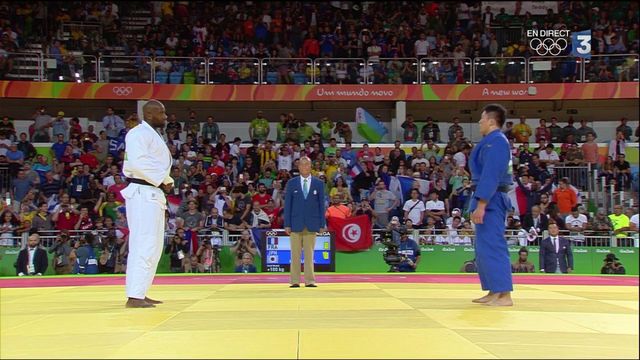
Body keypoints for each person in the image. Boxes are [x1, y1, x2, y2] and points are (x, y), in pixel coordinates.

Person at [121, 100, 174, 308]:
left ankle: (140, 291)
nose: (166, 116)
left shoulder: (150, 134)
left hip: (152, 193)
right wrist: (164, 179)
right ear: (150, 115)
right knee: (144, 243)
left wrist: (163, 181)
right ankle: (134, 296)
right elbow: (137, 162)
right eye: (162, 113)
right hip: (144, 192)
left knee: (153, 246)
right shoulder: (137, 134)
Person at [469, 103, 514, 306]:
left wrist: (482, 204)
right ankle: (493, 290)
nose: (479, 122)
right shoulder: (490, 141)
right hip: (486, 196)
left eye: (481, 119)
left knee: (493, 244)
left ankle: (504, 294)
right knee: (483, 247)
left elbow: (491, 174)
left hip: (492, 198)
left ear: (491, 121)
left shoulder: (497, 142)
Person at [284, 156, 326, 288]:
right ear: (299, 167)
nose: (304, 167)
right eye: (302, 165)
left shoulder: (318, 184)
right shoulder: (292, 183)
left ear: (310, 166)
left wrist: (322, 224)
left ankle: (310, 280)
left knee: (309, 254)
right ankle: (295, 280)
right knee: (295, 254)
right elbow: (287, 205)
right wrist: (287, 224)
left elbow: (321, 206)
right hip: (295, 223)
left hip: (312, 224)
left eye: (307, 165)